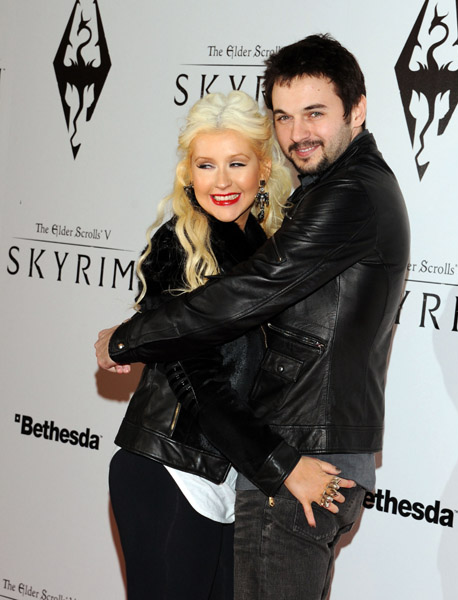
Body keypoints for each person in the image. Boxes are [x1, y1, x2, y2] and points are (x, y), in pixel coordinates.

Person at [96, 34, 410, 599]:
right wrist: (282, 463)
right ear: (188, 172)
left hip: (231, 477)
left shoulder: (283, 235)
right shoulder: (178, 244)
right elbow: (201, 384)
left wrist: (127, 338)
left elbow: (254, 299)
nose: (221, 181)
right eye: (206, 165)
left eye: (237, 163)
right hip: (173, 471)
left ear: (263, 168)